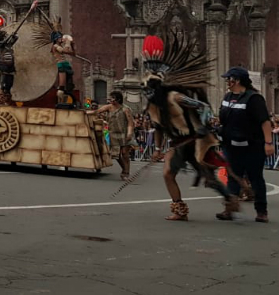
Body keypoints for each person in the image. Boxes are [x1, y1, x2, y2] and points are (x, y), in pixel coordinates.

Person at [140, 34, 236, 222]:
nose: (147, 93)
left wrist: (203, 125)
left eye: (150, 89)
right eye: (145, 90)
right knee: (169, 174)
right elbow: (158, 128)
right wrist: (157, 149)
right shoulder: (153, 106)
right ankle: (180, 209)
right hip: (178, 144)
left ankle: (229, 199)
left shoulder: (175, 97)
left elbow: (203, 106)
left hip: (195, 141)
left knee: (207, 177)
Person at [217, 67, 271, 223]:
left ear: (237, 80)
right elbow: (224, 119)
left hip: (252, 146)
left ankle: (261, 211)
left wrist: (268, 143)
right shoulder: (227, 97)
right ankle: (229, 209)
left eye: (229, 79)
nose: (227, 82)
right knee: (233, 177)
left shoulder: (254, 98)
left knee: (256, 178)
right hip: (231, 146)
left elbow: (265, 122)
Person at [86, 91, 134, 180]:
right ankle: (124, 168)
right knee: (116, 155)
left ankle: (126, 172)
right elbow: (97, 111)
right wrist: (86, 113)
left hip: (124, 133)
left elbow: (130, 122)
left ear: (118, 99)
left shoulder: (125, 109)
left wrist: (130, 133)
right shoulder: (109, 107)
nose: (110, 100)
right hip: (113, 134)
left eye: (112, 98)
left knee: (125, 153)